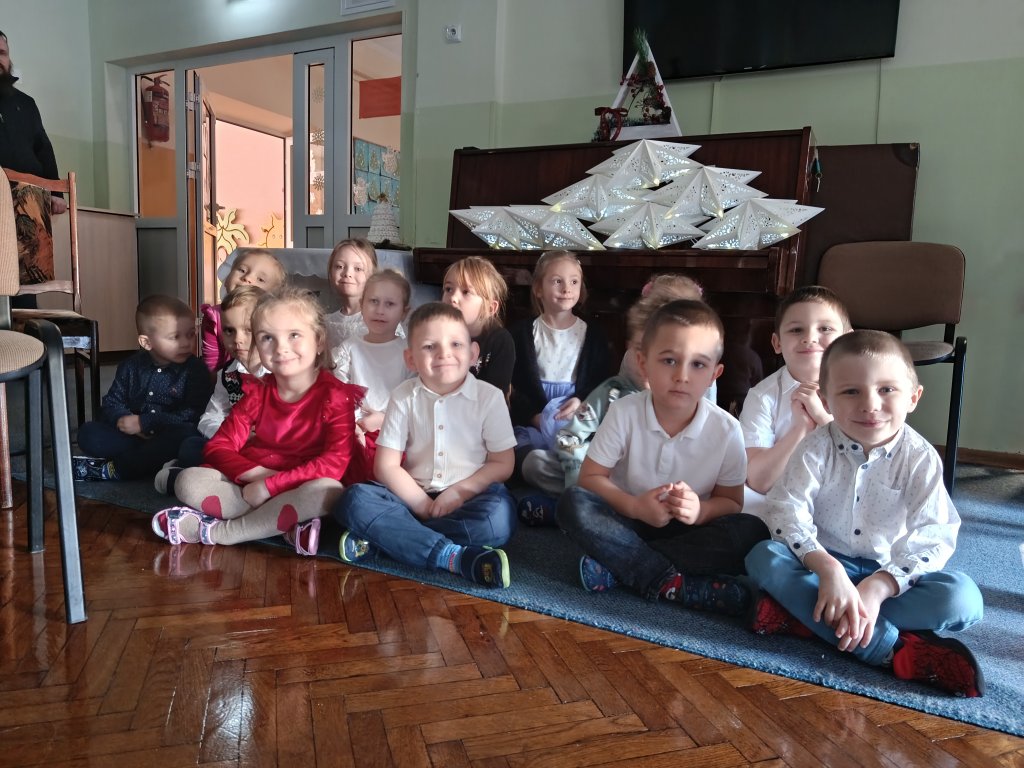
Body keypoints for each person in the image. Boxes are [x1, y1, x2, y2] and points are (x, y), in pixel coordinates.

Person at [744, 330, 985, 697]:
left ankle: (806, 620)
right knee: (764, 557)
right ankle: (888, 650)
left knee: (963, 599)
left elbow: (934, 534)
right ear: (826, 400)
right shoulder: (815, 447)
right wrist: (827, 568)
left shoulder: (919, 458)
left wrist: (878, 587)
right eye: (851, 392)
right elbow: (785, 510)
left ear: (913, 397)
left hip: (888, 573)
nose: (870, 405)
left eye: (886, 389)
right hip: (821, 566)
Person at [555, 299, 769, 616]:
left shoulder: (727, 430)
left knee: (752, 532)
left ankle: (620, 567)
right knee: (573, 503)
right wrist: (635, 506)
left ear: (715, 373)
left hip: (689, 530)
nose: (682, 375)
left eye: (698, 365)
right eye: (669, 361)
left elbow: (731, 501)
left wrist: (700, 511)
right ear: (644, 364)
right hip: (627, 520)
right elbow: (590, 478)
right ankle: (676, 584)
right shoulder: (624, 412)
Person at [152, 287, 369, 556]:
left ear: (319, 340)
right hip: (255, 477)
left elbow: (332, 464)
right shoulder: (257, 391)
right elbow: (218, 446)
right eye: (267, 337)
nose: (281, 348)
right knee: (188, 480)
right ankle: (283, 526)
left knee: (329, 492)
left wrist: (271, 486)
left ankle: (220, 532)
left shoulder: (336, 396)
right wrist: (261, 477)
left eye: (294, 335)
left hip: (304, 483)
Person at [333, 302, 518, 589]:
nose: (444, 353)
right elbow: (386, 466)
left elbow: (503, 463)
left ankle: (390, 539)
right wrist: (421, 504)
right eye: (430, 347)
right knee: (353, 500)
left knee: (498, 519)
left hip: (470, 499)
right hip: (411, 497)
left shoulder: (489, 397)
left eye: (456, 344)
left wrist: (458, 493)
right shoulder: (402, 397)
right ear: (411, 359)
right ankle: (452, 556)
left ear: (473, 354)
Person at [517, 273, 704, 526]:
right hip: (607, 475)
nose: (649, 365)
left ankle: (573, 511)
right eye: (640, 351)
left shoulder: (699, 392)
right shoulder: (617, 390)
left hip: (663, 481)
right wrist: (579, 469)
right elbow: (576, 434)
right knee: (536, 464)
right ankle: (581, 508)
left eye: (670, 359)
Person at [73, 295, 212, 481]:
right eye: (175, 337)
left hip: (170, 435)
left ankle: (119, 468)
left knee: (189, 438)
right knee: (88, 433)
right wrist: (122, 420)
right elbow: (111, 403)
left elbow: (193, 414)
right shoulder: (130, 367)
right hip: (135, 437)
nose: (186, 343)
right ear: (146, 342)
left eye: (190, 334)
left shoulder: (195, 370)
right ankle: (149, 462)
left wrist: (145, 422)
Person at [739, 286, 849, 506]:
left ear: (846, 339)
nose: (809, 338)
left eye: (825, 328)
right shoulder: (762, 397)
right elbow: (759, 481)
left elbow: (866, 461)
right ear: (777, 343)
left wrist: (822, 419)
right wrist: (801, 428)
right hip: (782, 497)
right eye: (797, 330)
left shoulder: (863, 391)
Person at [155, 285, 267, 493]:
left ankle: (193, 477)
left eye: (248, 329)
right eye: (229, 330)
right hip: (233, 444)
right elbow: (209, 417)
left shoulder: (281, 372)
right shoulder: (227, 374)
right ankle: (211, 478)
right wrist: (232, 436)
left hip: (270, 449)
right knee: (191, 445)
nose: (238, 339)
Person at [510, 250, 610, 464]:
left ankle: (570, 467)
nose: (566, 289)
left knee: (583, 451)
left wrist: (581, 400)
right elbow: (514, 386)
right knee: (528, 457)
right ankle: (556, 470)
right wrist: (534, 417)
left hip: (574, 419)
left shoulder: (593, 334)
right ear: (538, 288)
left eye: (574, 282)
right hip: (534, 423)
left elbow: (602, 382)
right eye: (557, 281)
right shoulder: (521, 334)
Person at [333, 268, 414, 452]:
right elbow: (339, 394)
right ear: (362, 305)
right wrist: (354, 424)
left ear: (404, 312)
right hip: (352, 428)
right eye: (373, 301)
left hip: (395, 431)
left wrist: (384, 419)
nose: (380, 310)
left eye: (390, 304)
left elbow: (414, 399)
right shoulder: (349, 348)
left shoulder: (408, 352)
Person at [0, 30, 65, 214]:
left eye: (2, 53)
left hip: (33, 201)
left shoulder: (26, 103)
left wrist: (56, 192)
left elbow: (44, 150)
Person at [201, 248, 286, 373]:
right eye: (242, 270)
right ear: (227, 278)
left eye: (260, 279)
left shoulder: (277, 318)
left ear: (274, 294)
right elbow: (211, 364)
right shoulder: (214, 316)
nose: (247, 278)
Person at [441, 256, 515, 396]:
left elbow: (495, 395)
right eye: (448, 289)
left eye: (466, 292)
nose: (453, 298)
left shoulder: (500, 341)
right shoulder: (438, 334)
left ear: (490, 308)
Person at [324, 238, 378, 350]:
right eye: (339, 267)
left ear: (372, 275)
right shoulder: (327, 323)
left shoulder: (381, 320)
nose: (347, 273)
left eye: (358, 269)